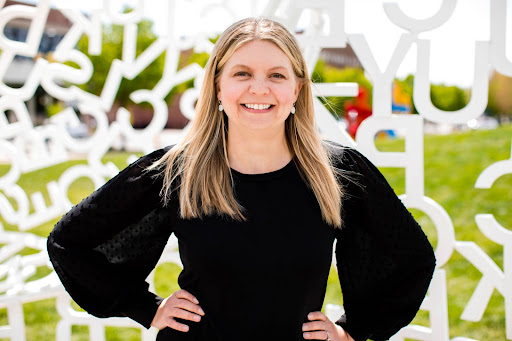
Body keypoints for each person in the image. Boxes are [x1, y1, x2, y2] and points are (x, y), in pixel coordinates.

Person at [47, 17, 436, 341]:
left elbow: (412, 260)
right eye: (242, 73)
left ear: (296, 89)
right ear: (218, 86)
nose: (259, 88)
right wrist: (147, 309)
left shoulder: (338, 174)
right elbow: (70, 243)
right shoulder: (176, 172)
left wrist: (354, 330)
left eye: (277, 75)